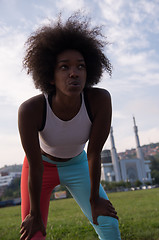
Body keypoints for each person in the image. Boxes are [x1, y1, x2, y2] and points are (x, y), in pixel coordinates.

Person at [18, 12, 121, 240]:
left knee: (108, 224)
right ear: (50, 76)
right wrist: (34, 214)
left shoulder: (100, 100)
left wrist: (95, 200)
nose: (74, 72)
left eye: (81, 66)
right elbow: (35, 165)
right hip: (40, 167)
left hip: (79, 164)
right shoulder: (31, 110)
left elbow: (94, 153)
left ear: (89, 71)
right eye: (64, 67)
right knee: (33, 234)